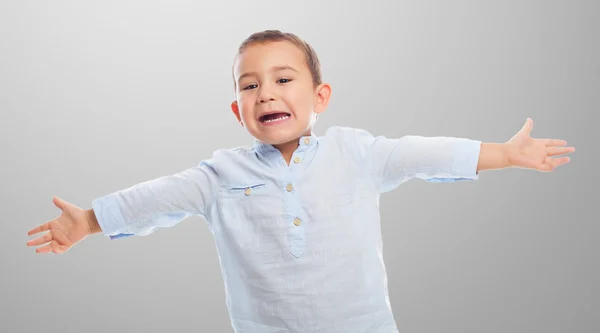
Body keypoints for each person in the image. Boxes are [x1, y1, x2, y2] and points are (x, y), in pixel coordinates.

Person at [26, 30, 575, 332]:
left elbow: (422, 154)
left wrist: (503, 153)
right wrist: (92, 220)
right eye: (250, 86)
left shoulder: (355, 152)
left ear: (319, 97)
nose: (265, 92)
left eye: (283, 79)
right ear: (238, 110)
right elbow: (159, 196)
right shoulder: (221, 174)